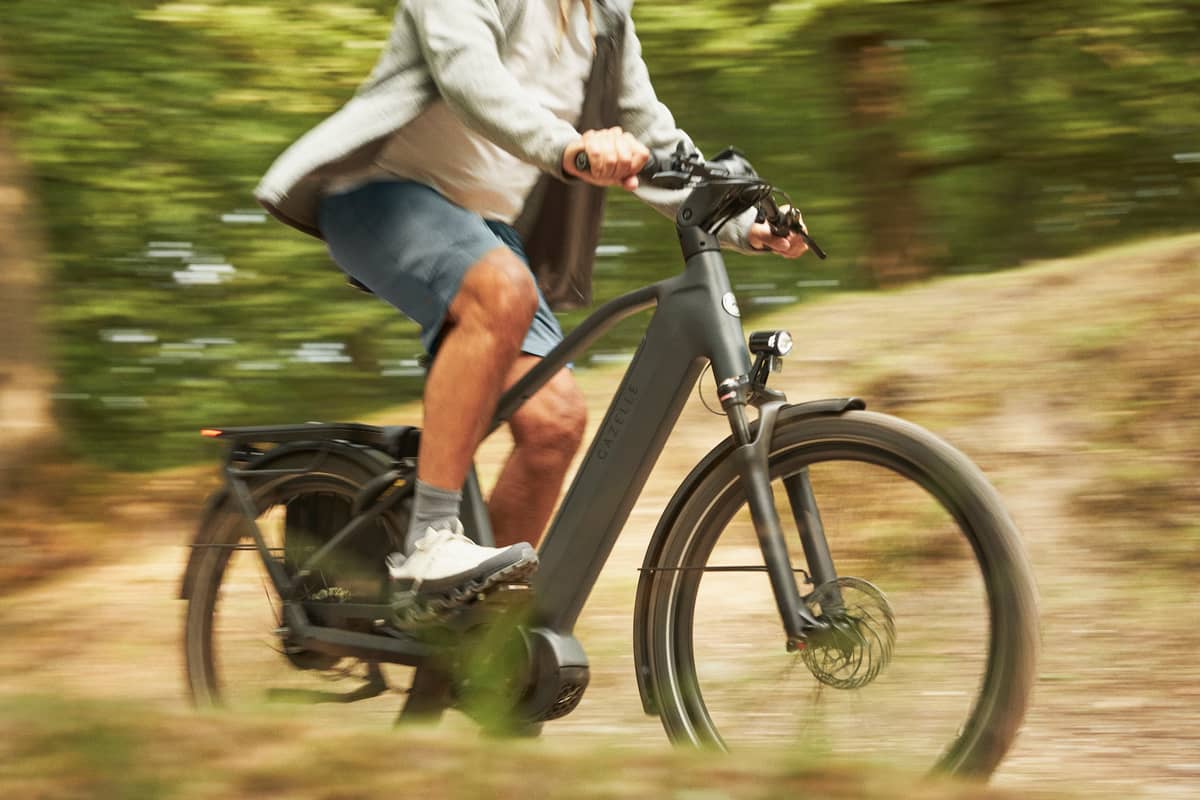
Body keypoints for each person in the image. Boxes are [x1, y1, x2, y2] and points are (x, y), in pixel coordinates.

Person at [254, 0, 809, 612]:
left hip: (481, 226)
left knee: (554, 426)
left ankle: (467, 641)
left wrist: (745, 222)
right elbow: (468, 78)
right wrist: (571, 149)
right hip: (379, 194)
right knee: (503, 291)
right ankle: (430, 539)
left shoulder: (605, 17)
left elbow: (654, 140)